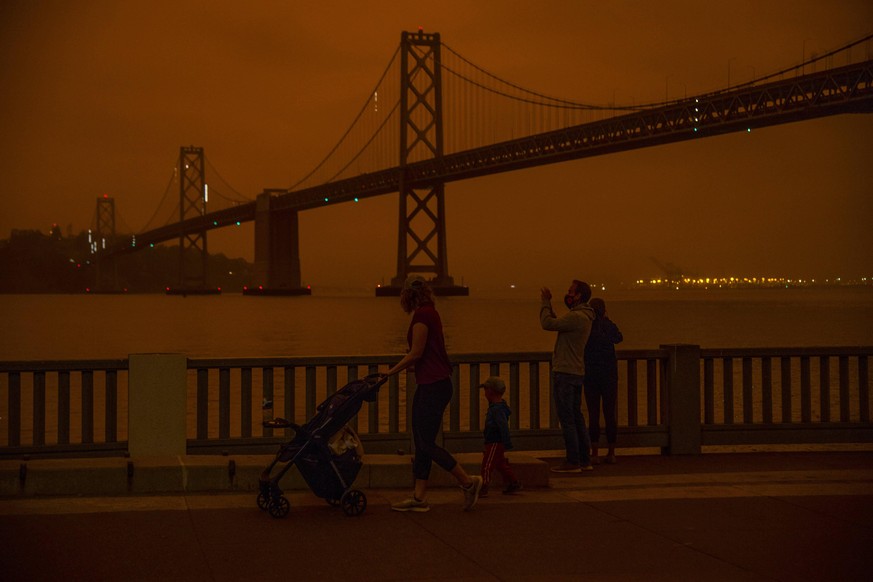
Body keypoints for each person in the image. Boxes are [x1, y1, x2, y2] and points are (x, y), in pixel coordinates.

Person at [386, 275, 483, 512]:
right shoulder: (431, 312)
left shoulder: (422, 315)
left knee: (426, 443)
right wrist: (411, 366)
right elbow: (426, 353)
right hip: (434, 383)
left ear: (409, 295)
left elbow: (416, 352)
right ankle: (419, 498)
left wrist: (390, 372)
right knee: (421, 442)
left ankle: (468, 482)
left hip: (433, 385)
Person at [540, 280, 596, 472]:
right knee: (577, 417)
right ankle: (584, 459)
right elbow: (560, 324)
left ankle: (572, 461)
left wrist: (545, 303)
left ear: (579, 295)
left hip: (565, 372)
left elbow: (547, 324)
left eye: (571, 291)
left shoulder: (576, 317)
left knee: (567, 419)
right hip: (577, 371)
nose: (568, 294)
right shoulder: (585, 316)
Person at [584, 297, 623, 465]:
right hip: (609, 375)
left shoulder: (587, 327)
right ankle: (611, 452)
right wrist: (608, 321)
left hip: (591, 374)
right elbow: (619, 338)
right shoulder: (608, 326)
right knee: (609, 414)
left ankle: (594, 453)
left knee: (593, 414)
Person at [479, 376, 522, 497]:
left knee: (486, 465)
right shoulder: (499, 408)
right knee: (500, 464)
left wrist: (506, 442)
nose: (484, 393)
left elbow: (503, 427)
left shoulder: (496, 410)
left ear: (490, 392)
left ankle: (484, 486)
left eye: (485, 390)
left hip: (494, 442)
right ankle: (513, 482)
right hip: (494, 442)